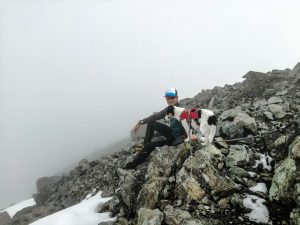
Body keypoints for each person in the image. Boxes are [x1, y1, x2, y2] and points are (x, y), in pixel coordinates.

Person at [125, 87, 187, 169]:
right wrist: (140, 122)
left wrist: (190, 136)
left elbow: (191, 121)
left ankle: (134, 164)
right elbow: (155, 116)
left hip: (177, 139)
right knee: (151, 123)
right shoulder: (169, 109)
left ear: (177, 98)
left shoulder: (182, 110)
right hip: (172, 132)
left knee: (150, 146)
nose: (170, 100)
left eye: (172, 97)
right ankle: (144, 146)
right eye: (168, 98)